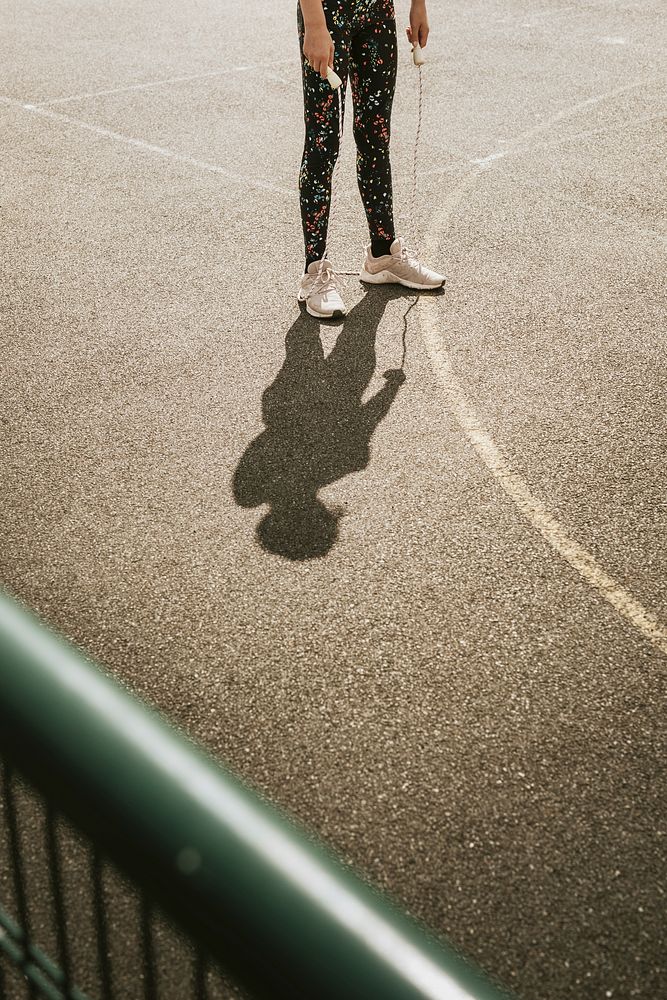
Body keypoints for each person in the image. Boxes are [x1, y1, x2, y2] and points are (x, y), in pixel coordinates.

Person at [296, 0, 446, 319]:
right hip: (328, 14)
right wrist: (314, 24)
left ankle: (382, 254)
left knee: (375, 136)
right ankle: (315, 270)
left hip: (377, 13)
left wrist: (418, 5)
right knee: (324, 143)